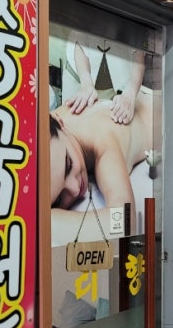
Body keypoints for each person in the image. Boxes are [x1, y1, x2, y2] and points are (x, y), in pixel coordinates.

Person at [49, 87, 159, 246]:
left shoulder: (102, 143)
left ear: (59, 122)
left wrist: (50, 223)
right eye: (59, 198)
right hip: (145, 99)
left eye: (68, 165)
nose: (75, 188)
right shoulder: (51, 128)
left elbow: (124, 223)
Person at [64, 40, 146, 125]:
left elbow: (138, 52)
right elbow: (80, 42)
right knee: (70, 122)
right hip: (78, 76)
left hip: (115, 87)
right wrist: (86, 85)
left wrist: (130, 95)